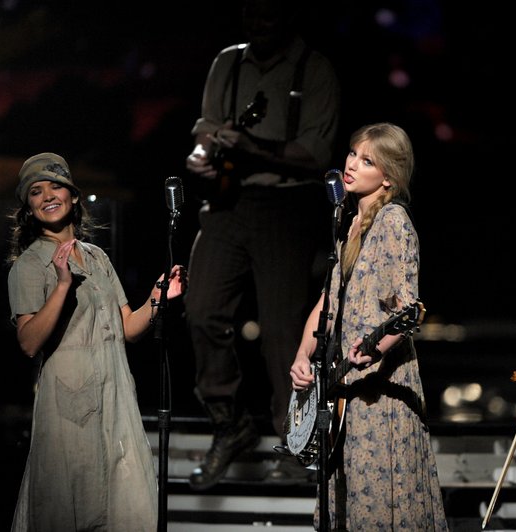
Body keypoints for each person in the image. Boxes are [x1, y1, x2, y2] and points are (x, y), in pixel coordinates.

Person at [183, 0, 341, 487]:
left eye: (268, 15)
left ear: (288, 16)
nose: (257, 25)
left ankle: (295, 444)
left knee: (281, 333)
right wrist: (201, 157)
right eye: (250, 14)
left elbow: (316, 154)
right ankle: (230, 424)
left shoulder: (314, 70)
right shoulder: (228, 61)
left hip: (285, 206)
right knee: (201, 306)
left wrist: (252, 149)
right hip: (229, 203)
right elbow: (206, 129)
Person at [7, 152, 186, 531]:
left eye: (55, 186)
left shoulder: (98, 257)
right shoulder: (29, 265)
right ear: (28, 207)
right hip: (68, 411)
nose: (48, 196)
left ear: (73, 196)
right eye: (36, 192)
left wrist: (159, 297)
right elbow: (28, 342)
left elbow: (127, 328)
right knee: (70, 508)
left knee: (124, 508)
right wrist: (62, 286)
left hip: (115, 398)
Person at [289, 123, 449, 530]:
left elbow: (408, 307)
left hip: (382, 391)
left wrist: (378, 347)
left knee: (378, 502)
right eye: (352, 154)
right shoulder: (349, 227)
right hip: (346, 388)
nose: (351, 164)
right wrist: (302, 356)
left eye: (367, 160)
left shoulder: (393, 221)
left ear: (389, 176)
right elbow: (328, 301)